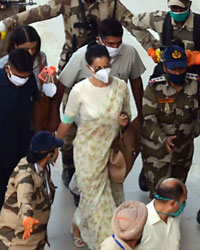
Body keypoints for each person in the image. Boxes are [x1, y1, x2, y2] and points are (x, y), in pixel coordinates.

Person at [58, 18, 145, 204]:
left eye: (118, 42)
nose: (116, 47)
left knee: (110, 161)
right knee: (90, 165)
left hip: (112, 124)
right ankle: (79, 189)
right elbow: (62, 86)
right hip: (87, 121)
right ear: (99, 40)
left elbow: (136, 83)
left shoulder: (128, 56)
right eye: (110, 43)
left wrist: (140, 114)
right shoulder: (82, 57)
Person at [57, 44, 131, 250]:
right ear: (89, 68)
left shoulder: (120, 88)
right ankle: (107, 244)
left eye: (107, 65)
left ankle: (77, 224)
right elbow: (67, 120)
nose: (104, 71)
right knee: (101, 205)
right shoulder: (79, 91)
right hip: (87, 154)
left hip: (112, 152)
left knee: (112, 198)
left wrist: (124, 122)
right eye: (98, 68)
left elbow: (127, 115)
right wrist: (55, 144)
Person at [0, 0, 135, 73]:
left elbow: (133, 24)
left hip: (101, 62)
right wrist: (6, 23)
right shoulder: (66, 1)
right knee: (68, 101)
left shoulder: (111, 3)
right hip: (72, 58)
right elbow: (39, 12)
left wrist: (151, 47)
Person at [141, 45, 199, 198]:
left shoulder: (195, 84)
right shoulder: (154, 87)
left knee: (177, 193)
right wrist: (163, 139)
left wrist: (194, 131)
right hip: (157, 151)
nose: (178, 73)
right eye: (174, 69)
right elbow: (149, 119)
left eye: (181, 68)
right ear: (165, 67)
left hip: (183, 150)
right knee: (159, 194)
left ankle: (174, 220)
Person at [0, 131, 64, 250]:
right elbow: (25, 198)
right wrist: (27, 218)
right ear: (49, 155)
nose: (58, 153)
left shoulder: (43, 168)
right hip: (18, 241)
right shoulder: (26, 176)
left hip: (34, 238)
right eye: (56, 149)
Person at [0, 48, 41, 209]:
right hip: (2, 147)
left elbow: (36, 107)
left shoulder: (29, 80)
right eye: (19, 76)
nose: (22, 80)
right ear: (8, 68)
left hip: (23, 143)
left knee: (24, 187)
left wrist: (38, 136)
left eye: (26, 76)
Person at [134, 178, 187, 250]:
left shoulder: (174, 216)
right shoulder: (138, 224)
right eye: (183, 201)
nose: (184, 205)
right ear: (173, 203)